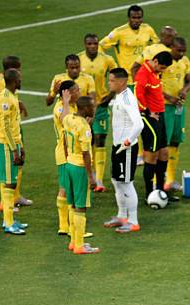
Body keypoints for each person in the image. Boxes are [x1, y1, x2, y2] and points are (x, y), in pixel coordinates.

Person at [0, 56, 32, 209]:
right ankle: (4, 202)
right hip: (7, 131)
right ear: (10, 69)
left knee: (17, 166)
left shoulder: (11, 84)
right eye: (18, 69)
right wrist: (4, 115)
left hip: (15, 128)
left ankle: (15, 196)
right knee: (7, 166)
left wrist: (16, 105)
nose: (20, 72)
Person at [100, 68, 144, 233]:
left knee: (126, 183)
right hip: (117, 146)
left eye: (111, 80)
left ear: (122, 82)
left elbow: (139, 124)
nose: (109, 83)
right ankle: (122, 216)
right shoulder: (119, 96)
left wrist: (128, 141)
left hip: (125, 148)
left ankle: (133, 221)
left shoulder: (127, 99)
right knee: (116, 181)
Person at [134, 51, 176, 203]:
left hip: (160, 115)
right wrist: (147, 112)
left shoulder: (154, 71)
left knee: (164, 152)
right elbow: (137, 95)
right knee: (152, 154)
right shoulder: (143, 73)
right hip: (149, 117)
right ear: (156, 61)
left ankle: (160, 190)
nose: (162, 71)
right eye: (162, 67)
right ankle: (149, 193)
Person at [78, 34, 117, 192]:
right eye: (89, 44)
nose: (93, 46)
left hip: (100, 106)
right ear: (85, 44)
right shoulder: (78, 59)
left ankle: (99, 180)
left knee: (100, 139)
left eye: (95, 43)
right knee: (88, 140)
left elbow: (117, 78)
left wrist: (110, 96)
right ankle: (90, 175)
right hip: (83, 108)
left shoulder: (107, 59)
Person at [63, 96, 99, 254]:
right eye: (92, 106)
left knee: (72, 204)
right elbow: (86, 154)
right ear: (85, 109)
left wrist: (67, 158)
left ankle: (73, 242)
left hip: (69, 164)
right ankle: (79, 245)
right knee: (81, 207)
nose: (94, 108)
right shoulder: (84, 128)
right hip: (79, 168)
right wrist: (91, 176)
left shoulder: (69, 118)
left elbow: (65, 140)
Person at [0, 69, 28, 235]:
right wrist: (14, 150)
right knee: (9, 183)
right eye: (20, 78)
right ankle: (8, 223)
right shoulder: (5, 99)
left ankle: (9, 220)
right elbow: (5, 128)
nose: (22, 81)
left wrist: (21, 146)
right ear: (14, 81)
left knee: (9, 181)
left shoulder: (13, 96)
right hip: (6, 145)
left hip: (14, 143)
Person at [99, 4, 158, 86]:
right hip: (127, 78)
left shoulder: (148, 29)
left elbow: (157, 46)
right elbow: (101, 46)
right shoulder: (119, 32)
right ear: (129, 18)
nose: (136, 20)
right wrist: (105, 63)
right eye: (134, 18)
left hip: (145, 75)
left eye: (139, 18)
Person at [162, 37, 190, 192]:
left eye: (183, 51)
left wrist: (184, 91)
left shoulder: (185, 61)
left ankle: (171, 179)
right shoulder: (163, 60)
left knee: (175, 142)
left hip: (178, 108)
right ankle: (157, 180)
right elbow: (153, 83)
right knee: (162, 144)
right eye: (178, 50)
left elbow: (189, 81)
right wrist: (169, 97)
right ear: (171, 47)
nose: (181, 53)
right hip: (164, 108)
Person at [53, 80, 80, 235]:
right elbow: (65, 120)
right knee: (66, 189)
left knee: (67, 188)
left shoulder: (72, 105)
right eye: (76, 90)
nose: (80, 92)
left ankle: (66, 226)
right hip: (64, 153)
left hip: (70, 151)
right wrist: (65, 102)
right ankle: (66, 226)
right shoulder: (60, 107)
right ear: (67, 93)